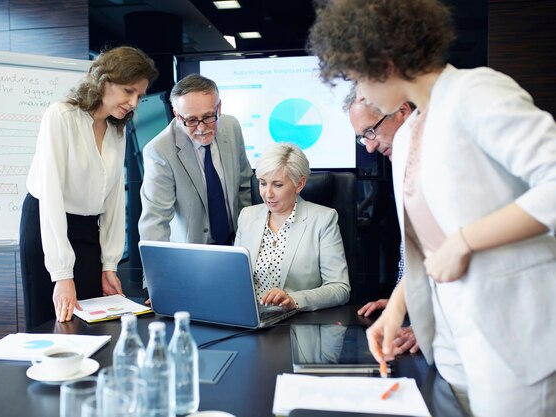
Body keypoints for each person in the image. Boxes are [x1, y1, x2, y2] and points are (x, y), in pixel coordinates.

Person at [308, 1, 556, 416]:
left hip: (513, 329)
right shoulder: (408, 135)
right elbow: (428, 246)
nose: (361, 91)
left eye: (356, 77)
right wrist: (397, 309)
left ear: (383, 61)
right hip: (452, 335)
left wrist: (466, 241)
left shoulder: (477, 91)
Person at [19, 46, 158, 330]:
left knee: (92, 322)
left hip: (87, 231)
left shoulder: (117, 129)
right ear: (104, 81)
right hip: (48, 226)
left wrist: (109, 264)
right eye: (128, 91)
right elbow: (51, 197)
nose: (133, 103)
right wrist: (61, 274)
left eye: (139, 96)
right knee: (55, 321)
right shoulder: (61, 117)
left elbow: (114, 200)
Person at [235, 142, 350, 312]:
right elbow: (235, 278)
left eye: (278, 184)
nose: (268, 194)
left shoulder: (323, 219)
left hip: (297, 325)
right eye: (263, 183)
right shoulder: (247, 216)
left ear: (300, 183)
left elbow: (340, 288)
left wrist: (293, 300)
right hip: (250, 319)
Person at [139, 74, 252, 245]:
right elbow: (155, 221)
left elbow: (245, 188)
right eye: (191, 120)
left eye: (208, 117)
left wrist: (249, 236)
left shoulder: (231, 127)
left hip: (237, 241)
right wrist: (158, 269)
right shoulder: (159, 151)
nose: (201, 128)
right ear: (177, 115)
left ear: (219, 107)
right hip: (192, 249)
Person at [346, 89, 419, 355]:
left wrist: (425, 324)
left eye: (371, 131)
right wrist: (403, 301)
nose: (369, 146)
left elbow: (452, 259)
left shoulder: (437, 158)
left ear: (402, 112)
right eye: (362, 137)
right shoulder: (404, 162)